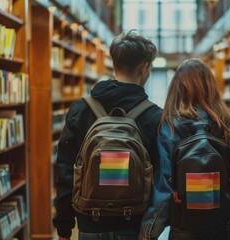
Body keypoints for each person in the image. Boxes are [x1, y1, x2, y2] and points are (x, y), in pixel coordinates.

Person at [53, 30, 167, 240]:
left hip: (89, 223)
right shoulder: (154, 116)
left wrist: (63, 227)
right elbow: (161, 179)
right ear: (144, 68)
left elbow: (65, 170)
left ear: (114, 65)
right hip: (135, 224)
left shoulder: (81, 109)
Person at [159, 59, 230, 240]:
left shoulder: (168, 129)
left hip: (184, 230)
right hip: (227, 230)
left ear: (177, 89)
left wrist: (149, 233)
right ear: (211, 87)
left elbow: (162, 189)